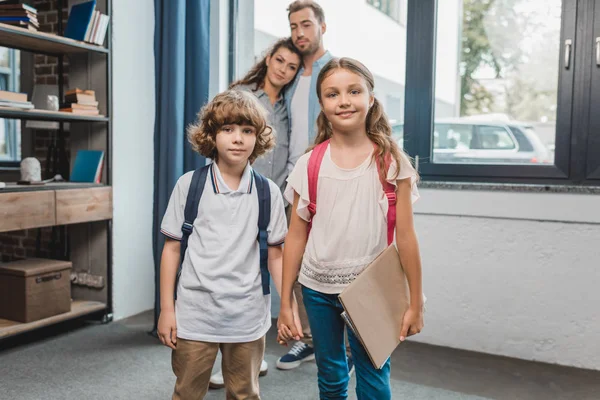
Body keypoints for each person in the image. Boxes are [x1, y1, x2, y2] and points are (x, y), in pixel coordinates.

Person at [277, 57, 424, 399]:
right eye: (332, 94)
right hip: (316, 288)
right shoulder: (308, 164)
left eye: (353, 91)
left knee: (374, 378)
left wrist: (416, 302)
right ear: (323, 104)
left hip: (372, 288)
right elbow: (296, 236)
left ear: (370, 98)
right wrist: (286, 301)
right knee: (330, 377)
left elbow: (407, 237)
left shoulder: (391, 162)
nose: (344, 100)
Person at [157, 89, 288, 400]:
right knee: (187, 392)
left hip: (247, 316)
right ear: (211, 135)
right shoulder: (189, 185)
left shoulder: (268, 192)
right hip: (195, 314)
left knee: (245, 393)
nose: (238, 138)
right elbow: (172, 250)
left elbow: (276, 255)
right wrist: (166, 309)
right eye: (228, 129)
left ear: (258, 137)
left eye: (247, 130)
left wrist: (288, 308)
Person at [207, 37, 303, 389]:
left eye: (292, 67)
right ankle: (224, 353)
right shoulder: (244, 94)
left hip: (274, 196)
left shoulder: (289, 104)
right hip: (238, 195)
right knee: (232, 272)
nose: (283, 69)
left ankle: (252, 354)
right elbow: (220, 143)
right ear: (268, 58)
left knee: (267, 272)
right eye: (280, 60)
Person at [276, 0, 336, 372]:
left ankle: (343, 342)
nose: (299, 33)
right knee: (294, 263)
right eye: (294, 26)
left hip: (328, 177)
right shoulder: (292, 73)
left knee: (333, 261)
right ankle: (308, 340)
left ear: (322, 27)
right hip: (293, 181)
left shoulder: (337, 71)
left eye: (306, 25)